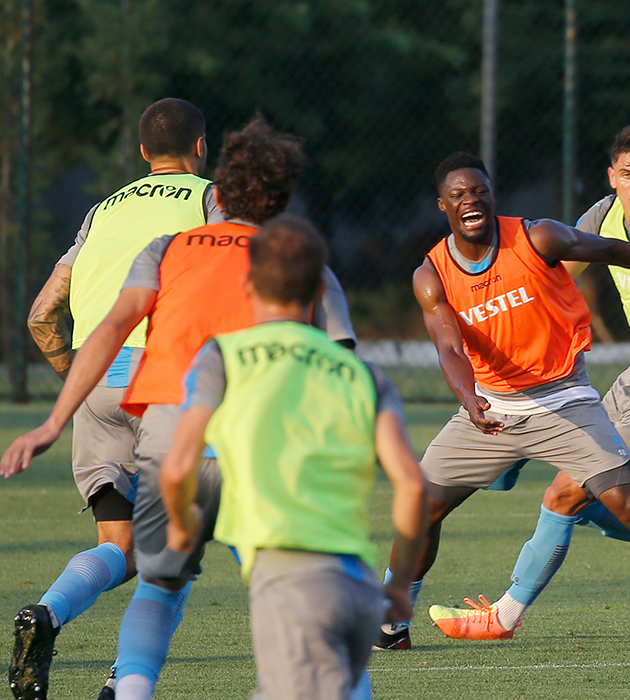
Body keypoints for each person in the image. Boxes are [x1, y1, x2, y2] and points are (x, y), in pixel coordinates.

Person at [0, 117, 356, 700]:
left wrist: (57, 414)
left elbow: (57, 314)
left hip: (118, 391)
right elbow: (334, 358)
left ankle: (65, 626)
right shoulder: (278, 246)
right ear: (200, 151)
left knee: (138, 558)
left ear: (143, 151)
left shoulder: (124, 223)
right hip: (210, 409)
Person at [376, 151, 630, 656]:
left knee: (629, 505)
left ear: (491, 195)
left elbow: (617, 250)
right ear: (444, 205)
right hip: (491, 408)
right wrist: (470, 400)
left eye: (479, 190)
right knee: (419, 508)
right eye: (459, 194)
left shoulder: (537, 236)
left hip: (563, 401)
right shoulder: (432, 274)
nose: (471, 200)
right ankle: (392, 624)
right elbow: (449, 347)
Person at [159, 215, 428, 700]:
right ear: (321, 287)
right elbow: (412, 485)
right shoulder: (361, 373)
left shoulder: (224, 356)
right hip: (358, 585)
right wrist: (400, 586)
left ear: (246, 283)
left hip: (291, 584)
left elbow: (177, 467)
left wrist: (180, 527)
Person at [5, 97, 221, 700]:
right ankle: (122, 683)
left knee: (119, 548)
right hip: (168, 386)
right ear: (202, 148)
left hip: (98, 386)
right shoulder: (210, 200)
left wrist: (81, 381)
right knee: (172, 561)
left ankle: (46, 615)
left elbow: (42, 314)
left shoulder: (102, 209)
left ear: (144, 153)